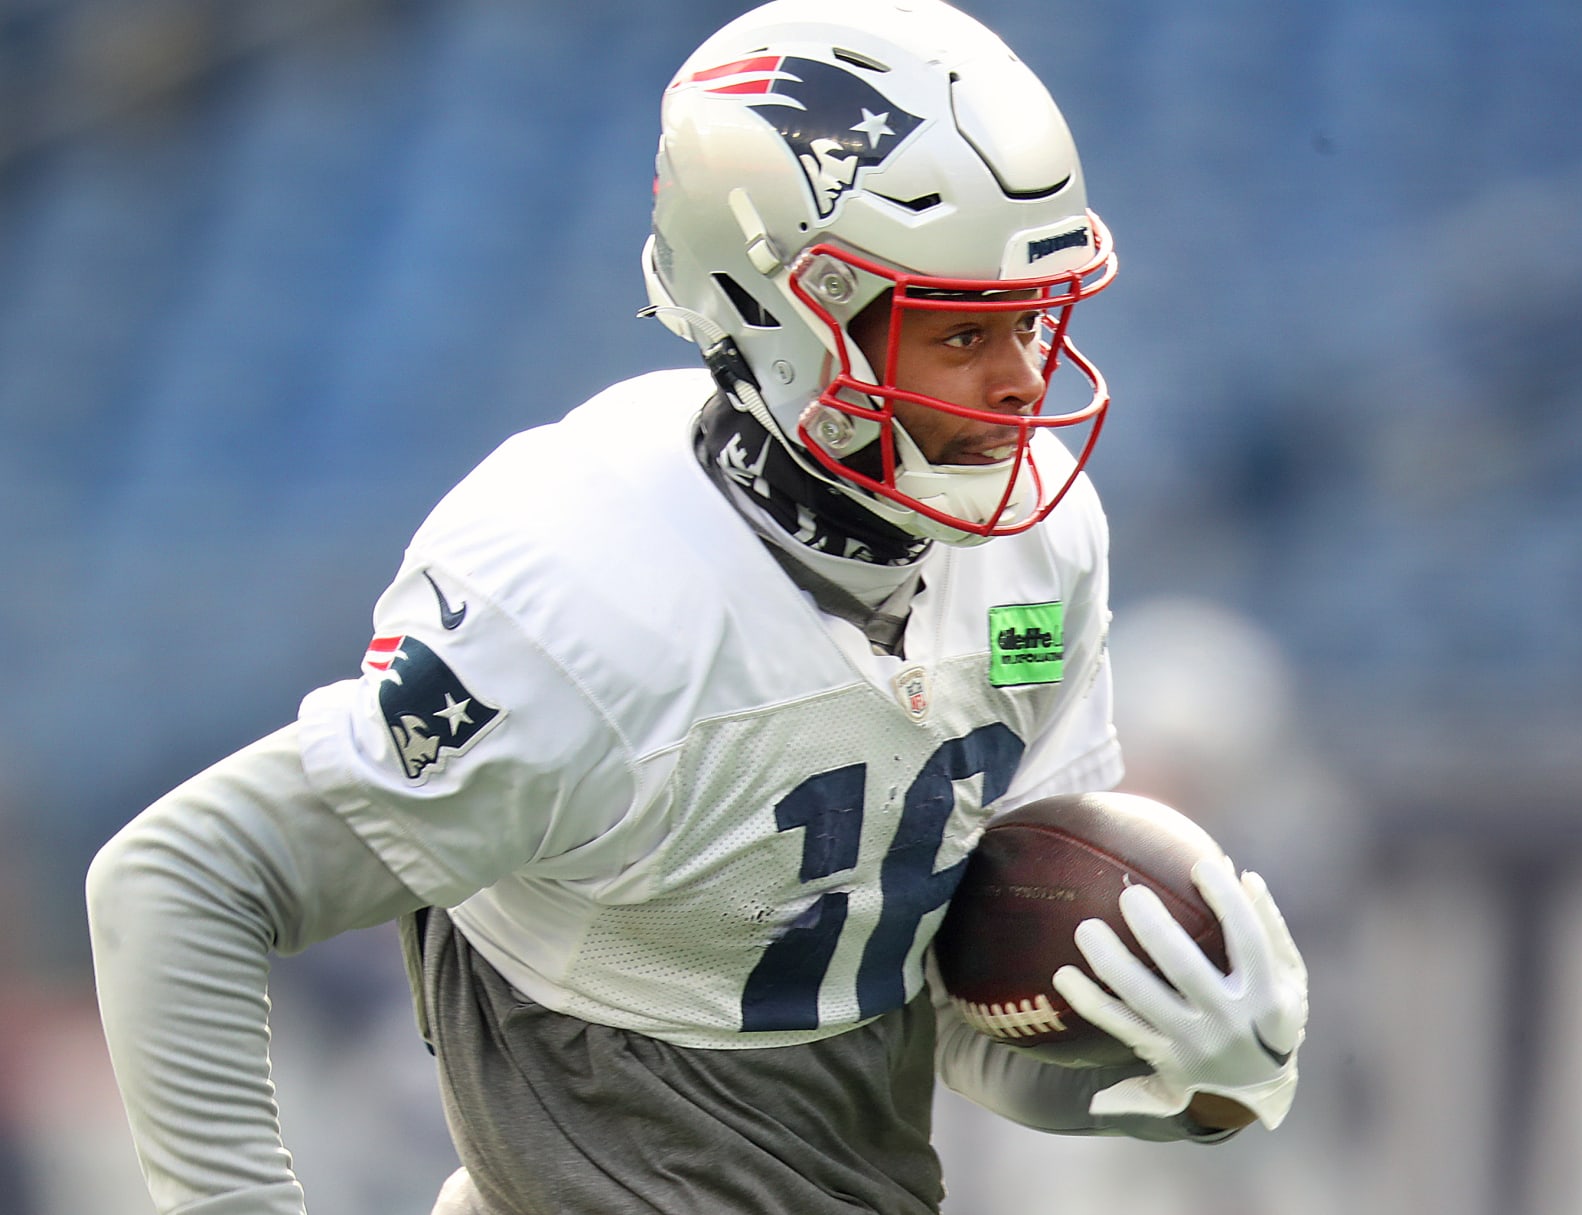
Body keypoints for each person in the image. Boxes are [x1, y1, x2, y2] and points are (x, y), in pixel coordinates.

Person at [85, 2, 1309, 1212]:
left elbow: (972, 1011)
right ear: (789, 323)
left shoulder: (1040, 553)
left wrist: (1186, 1073)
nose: (1022, 384)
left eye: (1034, 323)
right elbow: (184, 879)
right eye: (960, 335)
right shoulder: (592, 598)